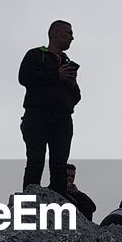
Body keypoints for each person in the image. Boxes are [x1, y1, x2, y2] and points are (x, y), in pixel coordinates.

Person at [18, 20, 80, 197]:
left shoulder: (67, 62)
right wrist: (56, 75)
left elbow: (77, 97)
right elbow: (24, 77)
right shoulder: (37, 54)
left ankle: (59, 203)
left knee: (59, 164)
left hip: (63, 117)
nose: (72, 37)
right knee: (36, 160)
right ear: (55, 33)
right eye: (68, 33)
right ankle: (28, 203)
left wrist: (72, 84)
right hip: (37, 114)